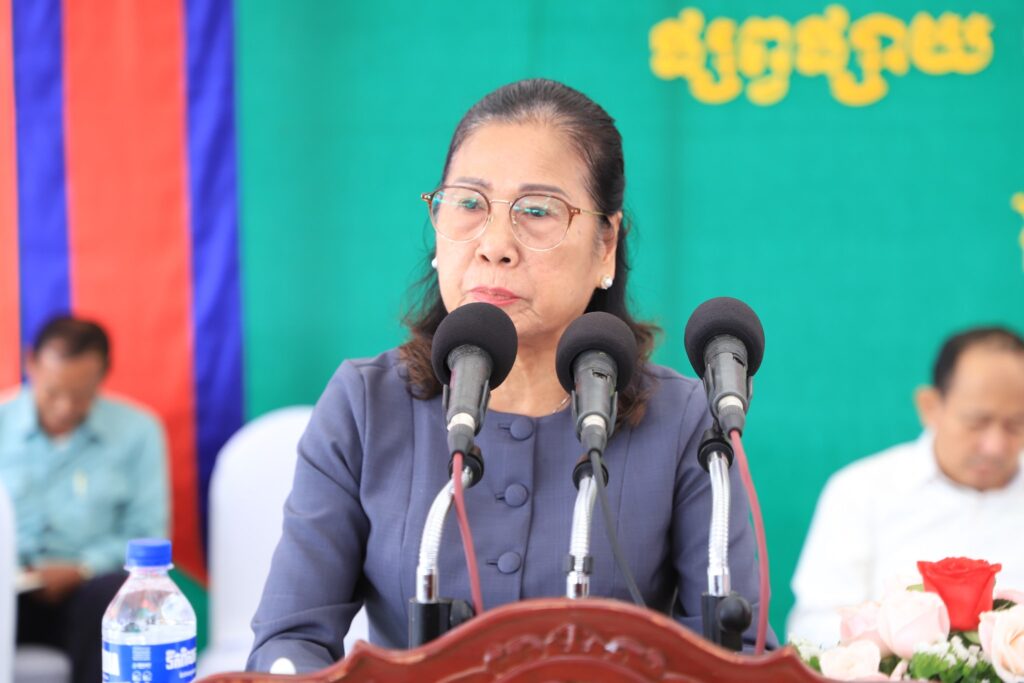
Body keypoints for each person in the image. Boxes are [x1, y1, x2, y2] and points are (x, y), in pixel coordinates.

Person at [247, 78, 773, 672]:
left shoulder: (683, 422)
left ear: (606, 244)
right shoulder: (366, 405)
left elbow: (737, 655)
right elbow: (290, 640)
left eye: (537, 211)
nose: (495, 245)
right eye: (469, 204)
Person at [788, 326, 1024, 646]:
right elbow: (812, 627)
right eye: (976, 423)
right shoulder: (860, 491)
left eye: (1015, 425)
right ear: (930, 406)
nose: (994, 446)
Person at [0, 316, 168, 683]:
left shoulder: (138, 432)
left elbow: (148, 532)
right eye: (52, 392)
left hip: (90, 595)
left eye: (80, 396)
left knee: (117, 595)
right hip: (8, 591)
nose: (64, 407)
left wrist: (83, 569)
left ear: (103, 375)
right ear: (31, 364)